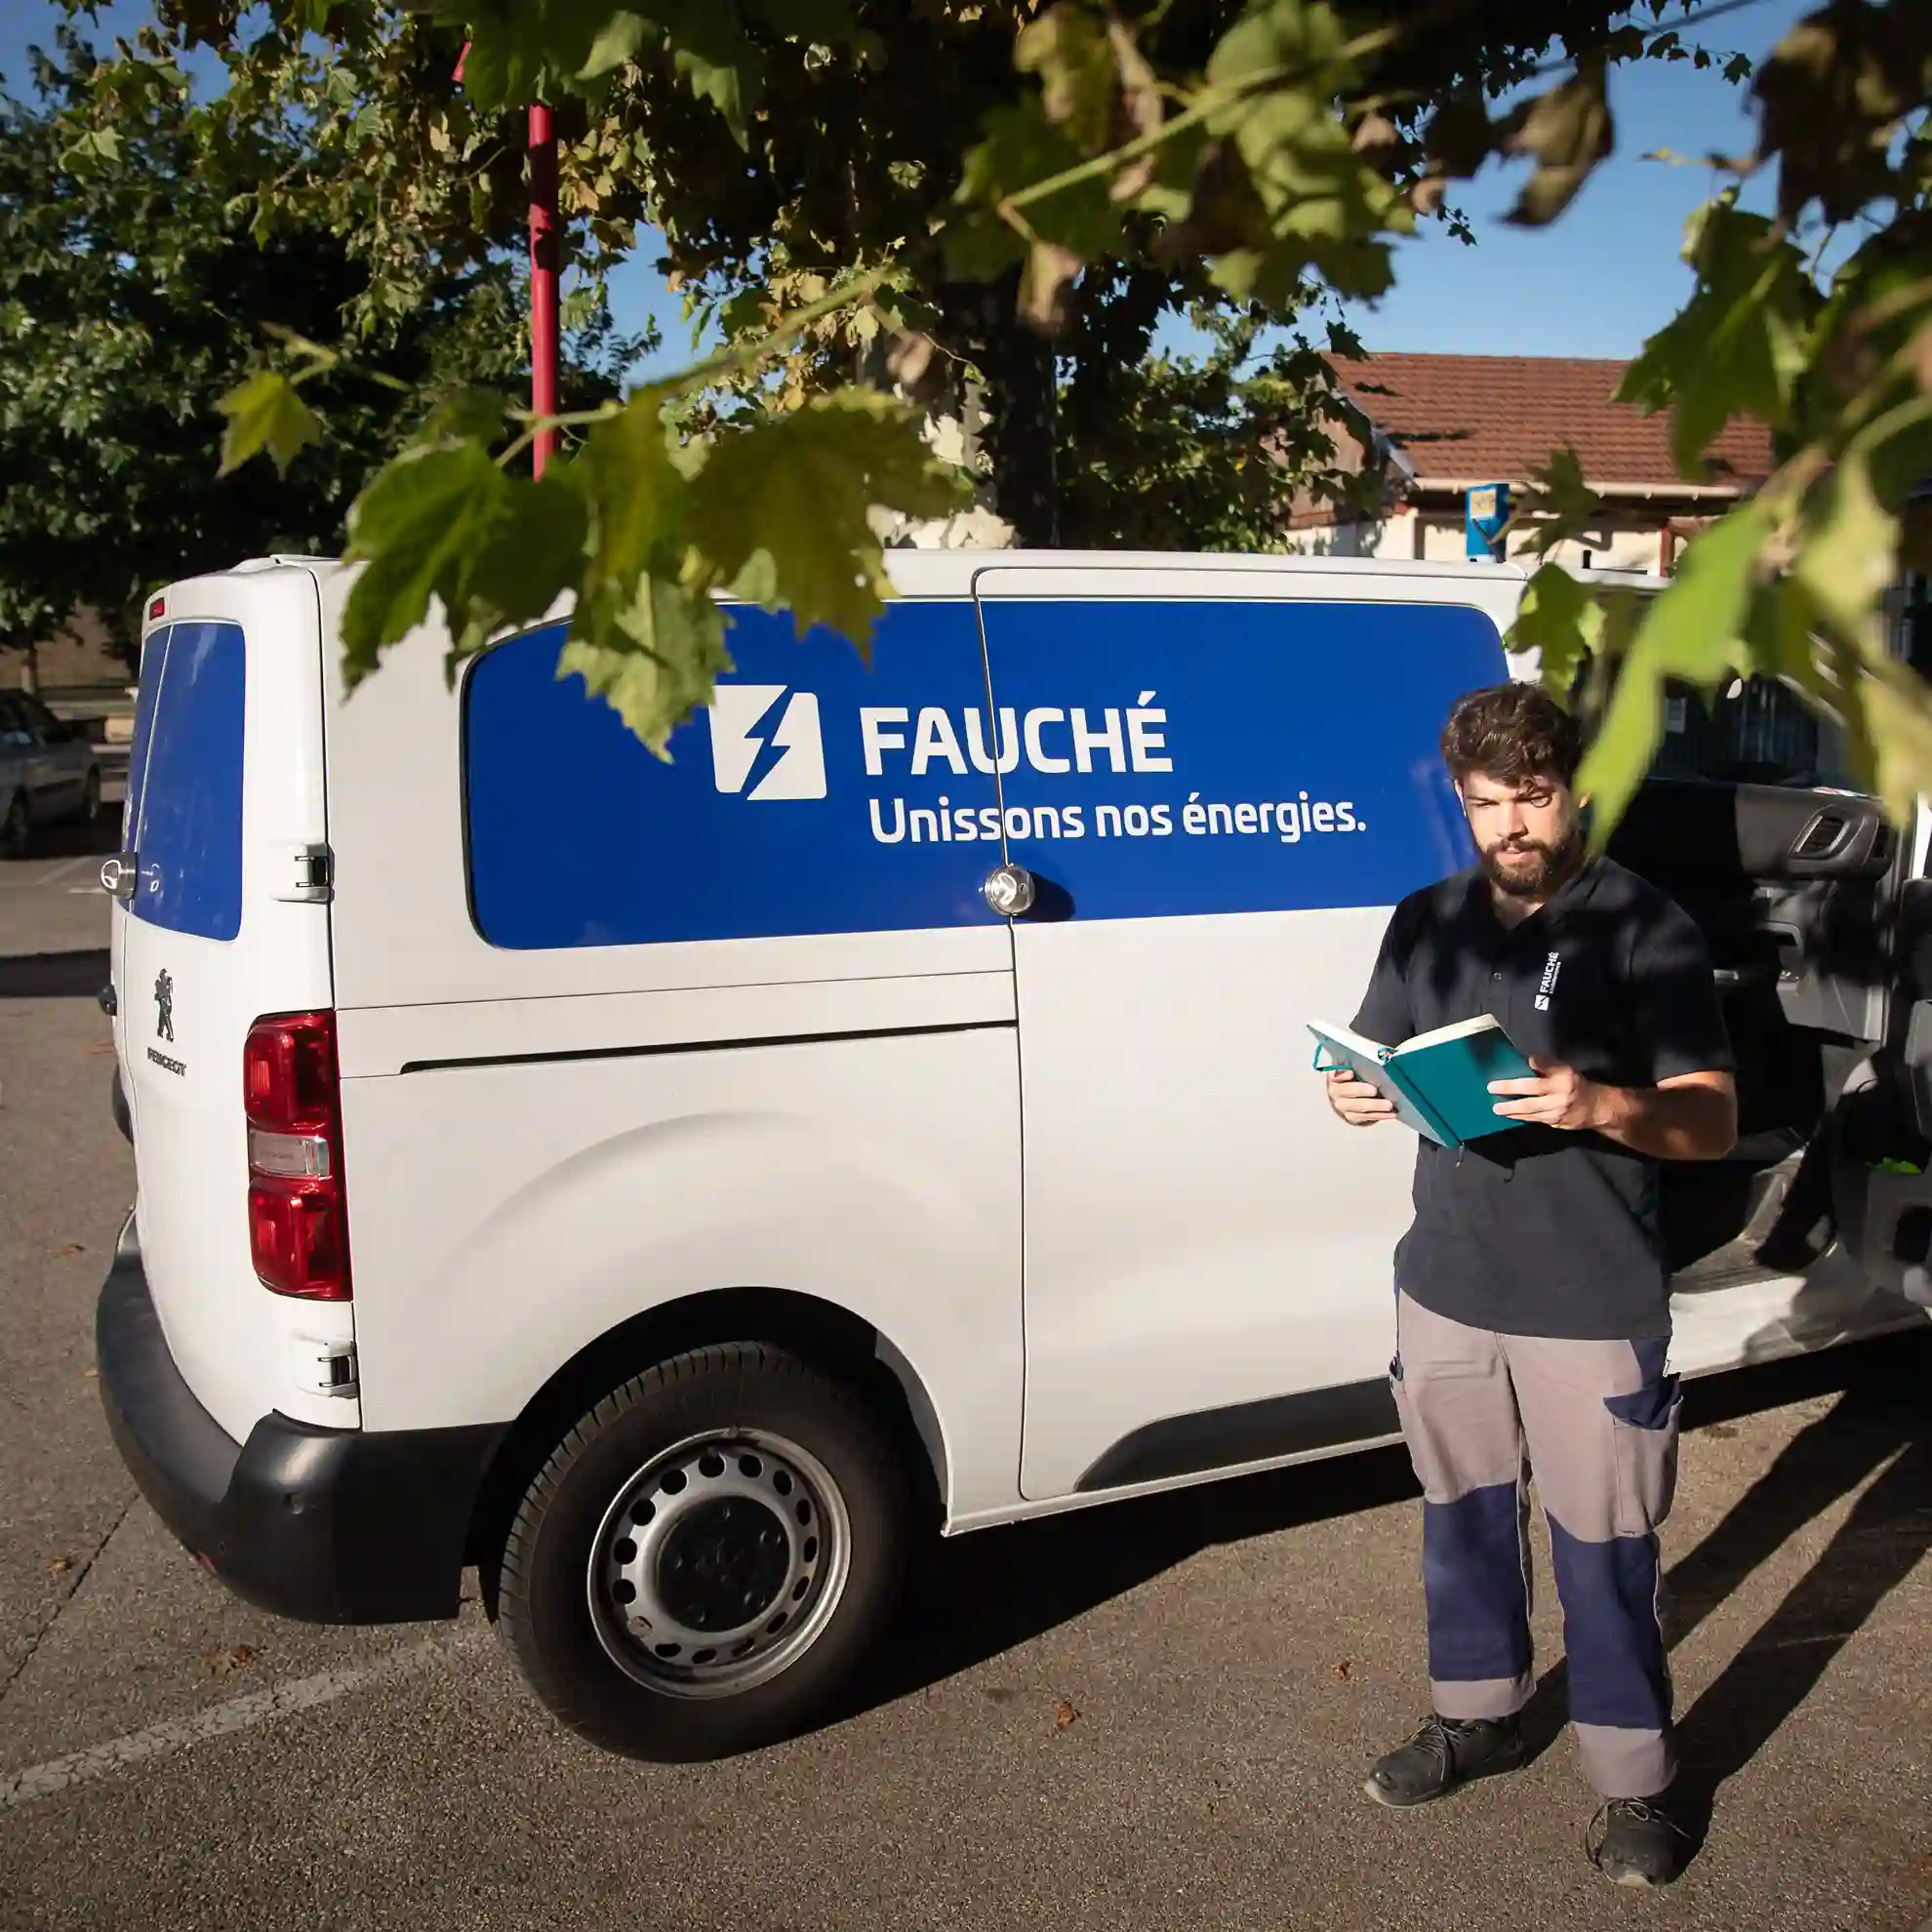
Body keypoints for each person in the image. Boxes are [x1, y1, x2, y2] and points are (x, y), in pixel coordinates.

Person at [1325, 682, 1736, 1888]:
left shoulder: (1645, 930)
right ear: (1462, 805)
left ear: (1578, 794)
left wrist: (1596, 1103)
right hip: (1445, 1280)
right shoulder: (1425, 922)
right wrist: (1349, 1090)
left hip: (1589, 1296)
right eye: (1486, 801)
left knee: (1604, 1546)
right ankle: (1480, 1713)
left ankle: (1636, 1784)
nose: (1511, 823)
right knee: (1459, 1524)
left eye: (1533, 797)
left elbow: (1711, 1124)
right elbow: (1375, 1046)